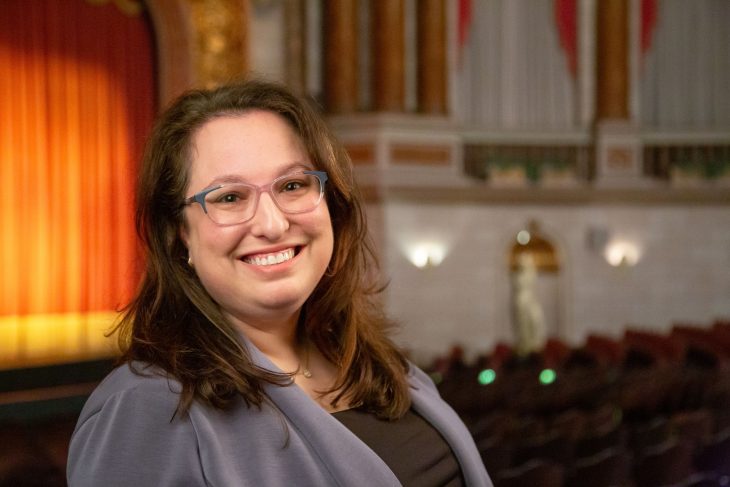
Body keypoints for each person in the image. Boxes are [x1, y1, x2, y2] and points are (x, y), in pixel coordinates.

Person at [67, 79, 492, 487]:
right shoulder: (144, 409)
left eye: (292, 185)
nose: (272, 224)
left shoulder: (376, 363)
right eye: (230, 197)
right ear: (179, 235)